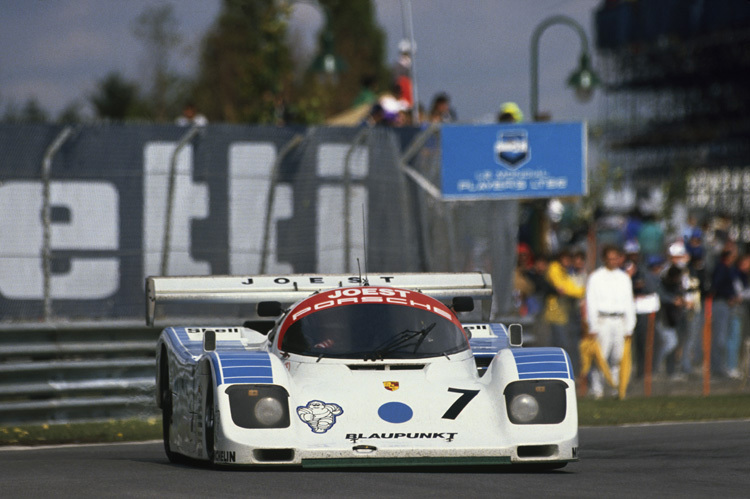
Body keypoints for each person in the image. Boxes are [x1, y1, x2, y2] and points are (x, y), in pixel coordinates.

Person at [585, 245, 636, 399]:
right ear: (604, 259)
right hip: (603, 320)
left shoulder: (624, 278)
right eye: (610, 258)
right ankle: (597, 389)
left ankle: (616, 388)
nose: (613, 261)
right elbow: (591, 302)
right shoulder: (596, 277)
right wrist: (592, 325)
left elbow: (629, 303)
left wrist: (630, 326)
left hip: (620, 321)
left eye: (616, 258)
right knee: (601, 355)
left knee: (618, 357)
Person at [544, 248, 585, 374]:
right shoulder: (554, 269)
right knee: (560, 345)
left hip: (564, 315)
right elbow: (564, 288)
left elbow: (570, 287)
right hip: (554, 314)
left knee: (566, 344)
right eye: (565, 259)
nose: (568, 262)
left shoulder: (564, 272)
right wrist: (582, 292)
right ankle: (557, 371)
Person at [711, 248, 739, 377]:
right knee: (720, 337)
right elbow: (717, 286)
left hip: (727, 305)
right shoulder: (722, 268)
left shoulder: (729, 269)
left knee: (724, 336)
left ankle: (720, 366)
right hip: (721, 304)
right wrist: (729, 295)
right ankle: (716, 367)